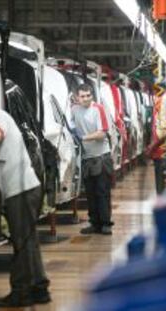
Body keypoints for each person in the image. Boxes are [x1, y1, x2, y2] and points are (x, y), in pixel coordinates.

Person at [0, 108, 50, 308]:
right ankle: (39, 288)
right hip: (24, 189)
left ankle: (21, 293)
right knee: (29, 242)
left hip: (21, 190)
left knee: (22, 243)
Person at [72, 83, 114, 235]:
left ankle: (106, 223)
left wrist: (83, 138)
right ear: (77, 97)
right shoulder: (74, 110)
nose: (86, 99)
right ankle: (94, 223)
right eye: (82, 96)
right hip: (86, 158)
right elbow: (70, 126)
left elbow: (102, 133)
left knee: (102, 192)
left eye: (88, 95)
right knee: (90, 193)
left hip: (101, 156)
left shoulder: (98, 109)